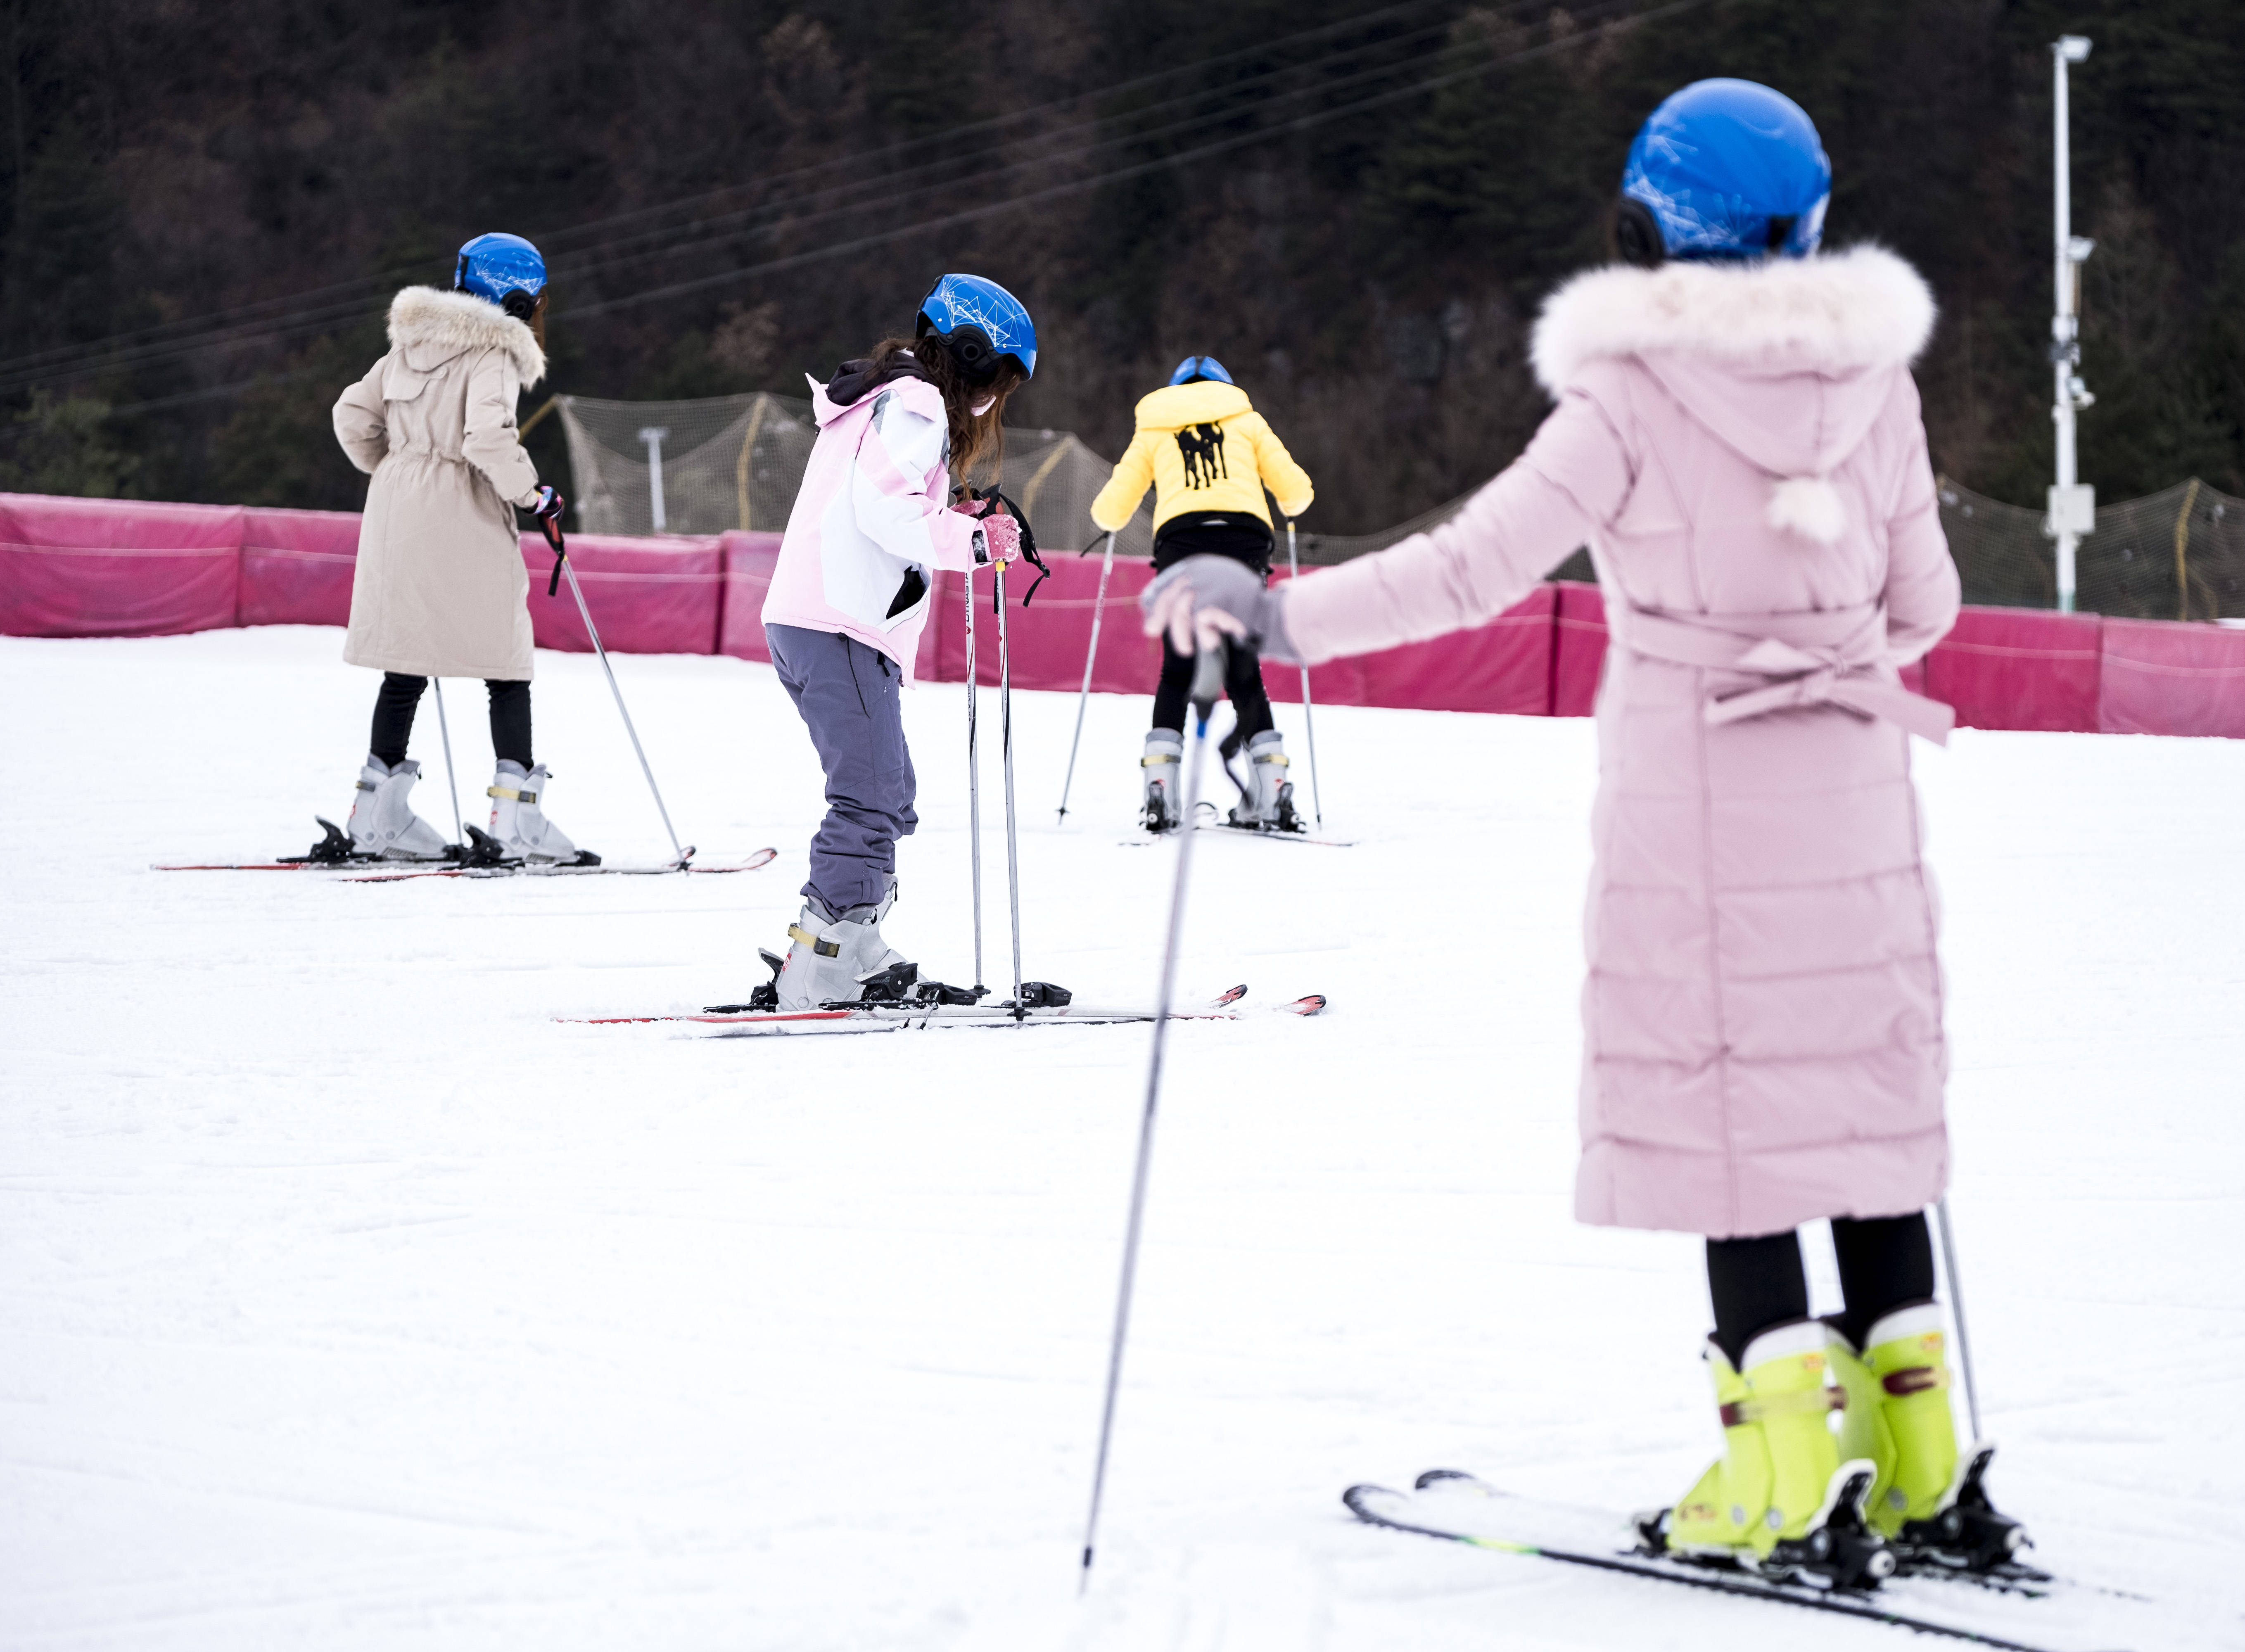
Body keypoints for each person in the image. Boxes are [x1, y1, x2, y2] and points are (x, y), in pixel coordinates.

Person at [1143, 81, 2001, 1588]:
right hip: (1857, 799)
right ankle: (1920, 1461)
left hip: (1699, 806)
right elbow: (1925, 608)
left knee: (1730, 1128)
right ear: (1807, 227)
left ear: (1644, 230)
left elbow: (1467, 572)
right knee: (1859, 1129)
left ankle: (1780, 1473)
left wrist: (1271, 614)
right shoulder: (1879, 382)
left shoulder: (1625, 399)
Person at [754, 273, 1035, 1008]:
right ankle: (822, 959)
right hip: (839, 623)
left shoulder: (883, 398)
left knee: (886, 790)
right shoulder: (917, 404)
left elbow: (885, 499)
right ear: (970, 356)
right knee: (869, 796)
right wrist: (976, 540)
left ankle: (854, 941)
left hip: (819, 618)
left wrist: (953, 510)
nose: (992, 401)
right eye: (997, 381)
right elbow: (886, 512)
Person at [331, 231, 580, 863]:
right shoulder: (494, 350)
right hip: (460, 507)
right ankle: (514, 819)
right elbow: (488, 440)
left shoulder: (408, 344)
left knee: (406, 660)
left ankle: (375, 815)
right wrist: (535, 496)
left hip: (396, 505)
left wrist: (397, 468)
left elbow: (350, 415)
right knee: (506, 658)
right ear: (516, 296)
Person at [1087, 355, 1314, 832]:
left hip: (1182, 543)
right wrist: (1286, 505)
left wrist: (1111, 521)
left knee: (1178, 668)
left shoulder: (1155, 424)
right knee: (1244, 671)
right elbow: (1297, 495)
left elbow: (1110, 511)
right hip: (1245, 543)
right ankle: (1271, 793)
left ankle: (1161, 794)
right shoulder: (1247, 421)